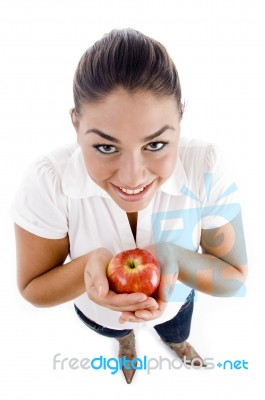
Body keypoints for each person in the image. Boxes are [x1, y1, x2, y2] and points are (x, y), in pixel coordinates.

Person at [11, 28, 248, 384]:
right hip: (99, 313)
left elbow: (234, 277)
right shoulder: (48, 181)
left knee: (176, 328)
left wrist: (175, 257)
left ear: (180, 123)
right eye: (106, 147)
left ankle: (177, 342)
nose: (133, 177)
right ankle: (125, 342)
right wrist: (88, 268)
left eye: (156, 145)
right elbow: (32, 288)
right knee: (115, 329)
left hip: (176, 305)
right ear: (76, 125)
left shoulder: (207, 167)